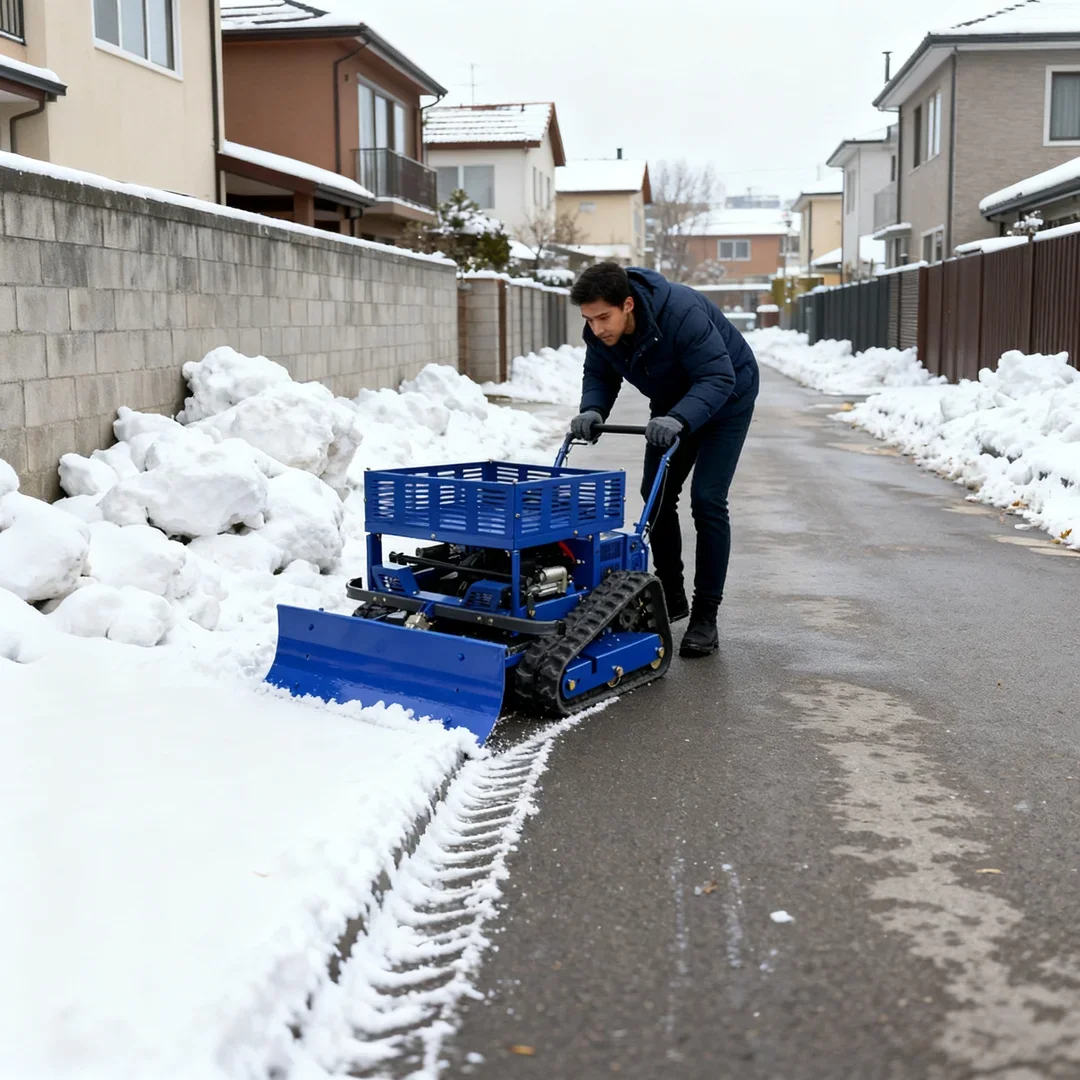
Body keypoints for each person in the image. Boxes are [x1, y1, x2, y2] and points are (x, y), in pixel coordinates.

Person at [568, 261, 758, 658]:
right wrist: (593, 410)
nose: (598, 328)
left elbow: (718, 377)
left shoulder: (681, 313)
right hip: (671, 404)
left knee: (707, 500)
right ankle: (670, 595)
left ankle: (706, 615)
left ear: (629, 304)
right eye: (589, 319)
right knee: (655, 498)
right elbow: (600, 374)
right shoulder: (599, 332)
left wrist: (679, 418)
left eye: (604, 317)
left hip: (729, 399)